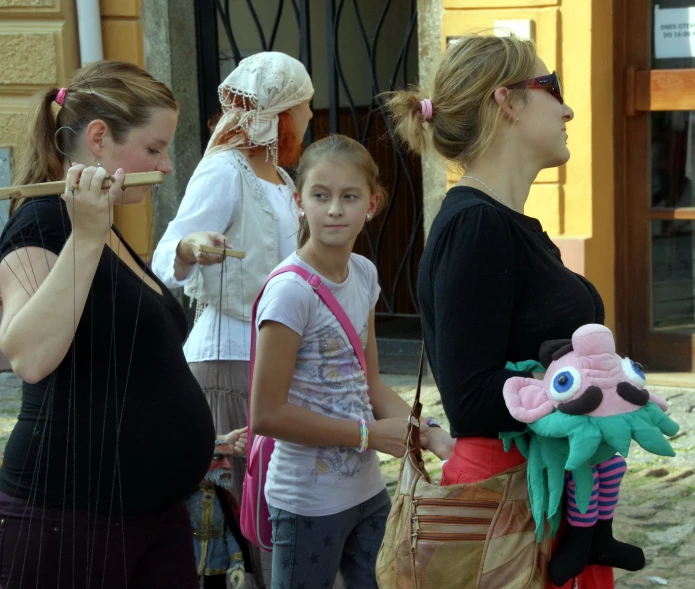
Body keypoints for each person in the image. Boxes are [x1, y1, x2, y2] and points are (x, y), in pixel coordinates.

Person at [385, 33, 613, 589]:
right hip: (505, 506)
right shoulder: (476, 224)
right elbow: (469, 400)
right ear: (505, 100)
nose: (568, 108)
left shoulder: (504, 222)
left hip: (538, 496)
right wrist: (585, 386)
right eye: (551, 88)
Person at [0, 61, 215, 589]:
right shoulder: (42, 223)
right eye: (154, 148)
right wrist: (88, 235)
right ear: (98, 138)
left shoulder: (102, 227)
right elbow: (27, 356)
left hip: (150, 515)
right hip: (70, 518)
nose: (166, 167)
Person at [250, 134, 454, 589]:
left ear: (373, 203)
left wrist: (433, 436)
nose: (335, 209)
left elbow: (372, 383)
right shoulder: (290, 292)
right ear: (298, 200)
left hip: (366, 493)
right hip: (306, 501)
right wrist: (367, 434)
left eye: (349, 196)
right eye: (320, 196)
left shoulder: (364, 273)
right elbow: (266, 414)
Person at [151, 51, 313, 588]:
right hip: (227, 364)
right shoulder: (225, 170)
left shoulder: (283, 180)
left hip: (272, 360)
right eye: (304, 107)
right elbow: (164, 255)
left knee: (274, 507)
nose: (311, 117)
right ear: (281, 114)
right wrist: (191, 247)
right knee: (241, 514)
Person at [186, 433, 251, 589]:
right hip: (189, 558)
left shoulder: (226, 501)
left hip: (217, 559)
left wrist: (237, 564)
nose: (228, 465)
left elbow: (230, 532)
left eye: (228, 458)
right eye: (218, 458)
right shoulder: (186, 498)